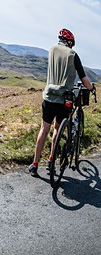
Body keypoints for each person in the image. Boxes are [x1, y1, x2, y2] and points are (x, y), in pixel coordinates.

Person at [27, 29, 95, 176]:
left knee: (44, 130)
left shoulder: (51, 50)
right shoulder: (73, 55)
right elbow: (83, 78)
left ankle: (34, 164)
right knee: (57, 129)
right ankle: (51, 160)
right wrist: (91, 88)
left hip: (49, 97)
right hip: (64, 100)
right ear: (70, 42)